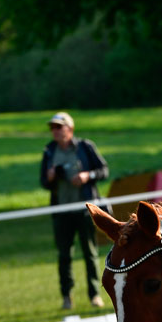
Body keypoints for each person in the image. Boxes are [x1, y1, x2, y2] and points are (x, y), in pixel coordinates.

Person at [40, 111, 108, 309]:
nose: (55, 131)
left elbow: (104, 170)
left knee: (90, 253)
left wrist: (88, 176)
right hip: (61, 212)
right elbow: (43, 182)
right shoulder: (49, 151)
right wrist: (50, 176)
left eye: (59, 127)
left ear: (70, 129)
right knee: (64, 256)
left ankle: (95, 295)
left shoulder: (85, 147)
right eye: (53, 128)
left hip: (85, 209)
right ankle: (66, 296)